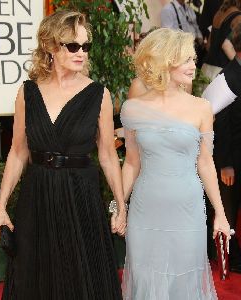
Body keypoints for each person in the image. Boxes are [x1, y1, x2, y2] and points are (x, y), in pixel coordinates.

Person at [0, 10, 126, 300]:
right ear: (51, 47)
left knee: (82, 276)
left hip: (81, 196)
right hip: (37, 195)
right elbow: (17, 152)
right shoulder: (28, 93)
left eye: (85, 46)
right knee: (34, 276)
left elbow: (107, 155)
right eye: (72, 46)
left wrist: (120, 203)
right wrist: (1, 206)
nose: (81, 53)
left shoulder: (99, 95)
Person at [120, 28, 230, 299]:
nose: (195, 65)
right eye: (188, 60)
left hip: (187, 210)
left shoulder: (200, 108)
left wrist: (220, 213)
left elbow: (205, 162)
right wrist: (118, 206)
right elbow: (131, 163)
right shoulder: (132, 109)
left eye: (194, 59)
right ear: (166, 61)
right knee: (146, 279)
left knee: (184, 280)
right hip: (145, 210)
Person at [202, 23, 241, 273]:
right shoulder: (228, 77)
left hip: (237, 154)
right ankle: (227, 256)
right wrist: (225, 163)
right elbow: (221, 123)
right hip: (229, 158)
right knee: (226, 208)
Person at [202, 0, 241, 80]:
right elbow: (226, 46)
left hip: (206, 68)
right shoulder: (239, 17)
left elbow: (208, 46)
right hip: (222, 73)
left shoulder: (218, 13)